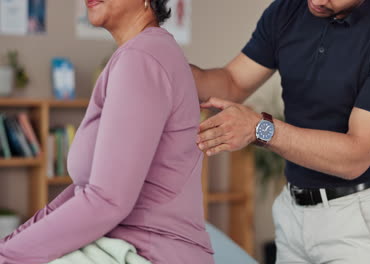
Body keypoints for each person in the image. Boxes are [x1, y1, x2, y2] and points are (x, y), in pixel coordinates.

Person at [191, 0, 370, 263]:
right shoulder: (288, 9)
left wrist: (258, 129)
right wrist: (163, 64)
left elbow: (355, 155)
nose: (316, 1)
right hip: (292, 211)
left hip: (357, 221)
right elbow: (232, 81)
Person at [0, 0, 214, 263]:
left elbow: (107, 201)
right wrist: (10, 245)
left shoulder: (143, 58)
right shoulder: (144, 53)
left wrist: (7, 255)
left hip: (147, 252)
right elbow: (86, 193)